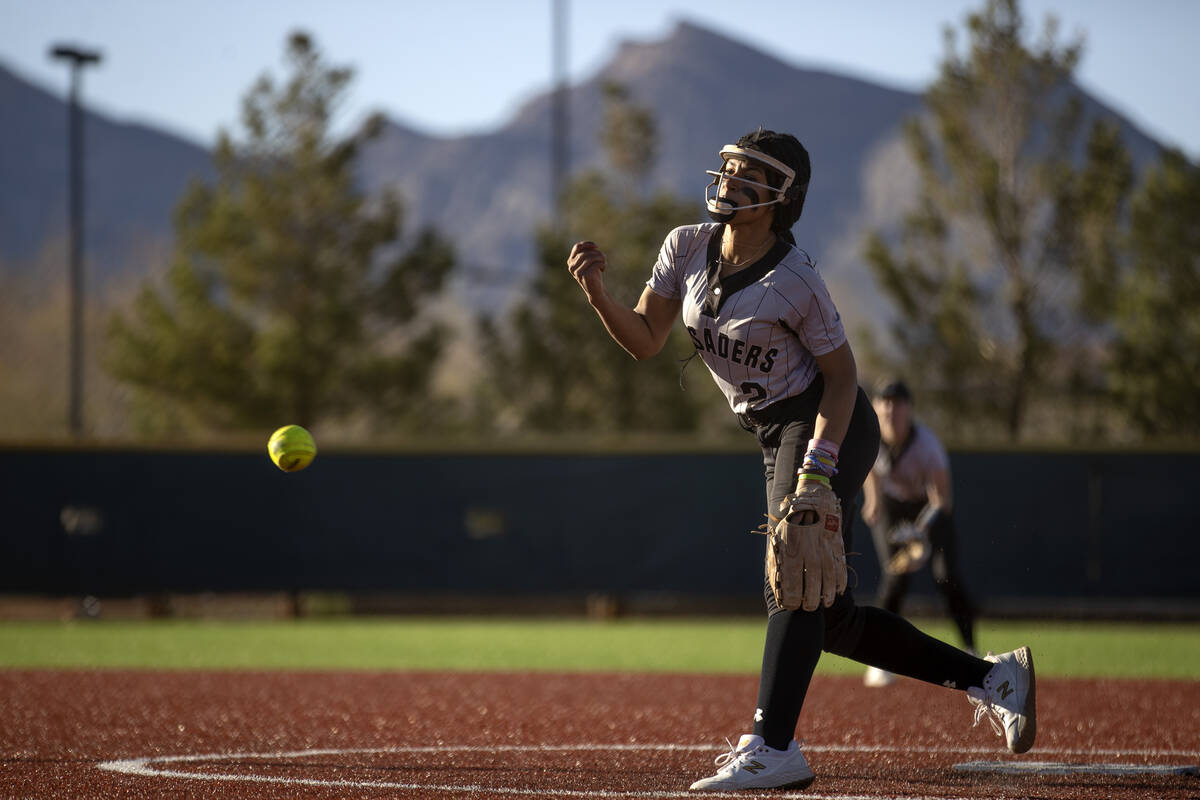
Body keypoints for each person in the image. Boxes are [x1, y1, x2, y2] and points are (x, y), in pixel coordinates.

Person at [567, 129, 1035, 792]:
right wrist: (596, 295)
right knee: (831, 617)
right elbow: (646, 339)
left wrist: (816, 470)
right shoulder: (687, 245)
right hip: (773, 432)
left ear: (779, 197)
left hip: (825, 422)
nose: (728, 180)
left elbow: (842, 380)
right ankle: (996, 680)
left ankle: (774, 743)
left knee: (792, 569)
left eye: (746, 174)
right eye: (727, 167)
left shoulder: (795, 279)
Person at [862, 379, 979, 689]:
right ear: (875, 407)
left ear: (909, 409)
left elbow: (943, 498)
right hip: (892, 507)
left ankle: (970, 648)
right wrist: (872, 501)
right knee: (895, 577)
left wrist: (921, 529)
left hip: (929, 511)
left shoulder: (927, 445)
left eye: (897, 402)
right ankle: (879, 659)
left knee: (945, 576)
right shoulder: (870, 437)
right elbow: (870, 471)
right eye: (883, 401)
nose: (889, 409)